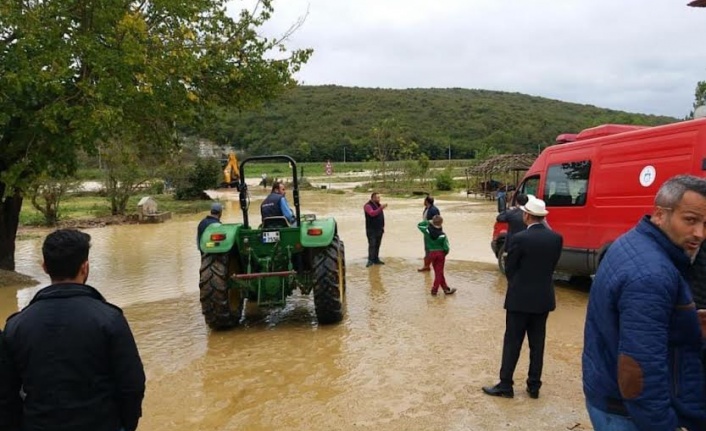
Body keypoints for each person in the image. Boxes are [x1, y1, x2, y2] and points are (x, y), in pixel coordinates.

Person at [583, 174, 706, 431]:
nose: (700, 234)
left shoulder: (633, 242)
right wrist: (665, 426)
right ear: (660, 214)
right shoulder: (652, 275)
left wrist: (685, 324)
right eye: (691, 220)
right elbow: (639, 371)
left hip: (607, 392)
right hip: (628, 413)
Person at [0, 229, 146, 431]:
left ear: (44, 267)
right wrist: (124, 426)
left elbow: (6, 396)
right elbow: (132, 385)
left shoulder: (15, 326)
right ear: (85, 267)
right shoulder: (110, 320)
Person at [482, 196, 562, 399]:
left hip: (519, 300)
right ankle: (534, 386)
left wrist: (518, 284)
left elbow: (509, 269)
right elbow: (552, 267)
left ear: (526, 215)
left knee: (512, 343)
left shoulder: (519, 239)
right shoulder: (556, 238)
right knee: (538, 344)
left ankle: (506, 385)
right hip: (543, 299)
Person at [417, 215, 456, 296]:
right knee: (439, 272)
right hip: (440, 254)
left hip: (431, 253)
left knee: (438, 272)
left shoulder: (427, 231)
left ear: (433, 222)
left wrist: (428, 221)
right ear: (441, 223)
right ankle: (434, 290)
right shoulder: (443, 235)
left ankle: (445, 288)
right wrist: (444, 254)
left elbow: (419, 225)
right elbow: (446, 247)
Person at [418, 195, 440, 272]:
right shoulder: (427, 208)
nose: (423, 201)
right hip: (427, 231)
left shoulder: (434, 210)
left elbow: (437, 221)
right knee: (427, 249)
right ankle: (427, 265)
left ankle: (427, 266)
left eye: (424, 200)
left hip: (431, 232)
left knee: (429, 249)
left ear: (427, 201)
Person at [364, 192, 387, 267]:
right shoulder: (367, 206)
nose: (379, 199)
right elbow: (372, 213)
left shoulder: (378, 205)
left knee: (377, 245)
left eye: (379, 197)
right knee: (372, 245)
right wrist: (381, 208)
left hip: (379, 229)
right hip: (371, 229)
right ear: (372, 198)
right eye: (377, 197)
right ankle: (370, 260)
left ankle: (376, 259)